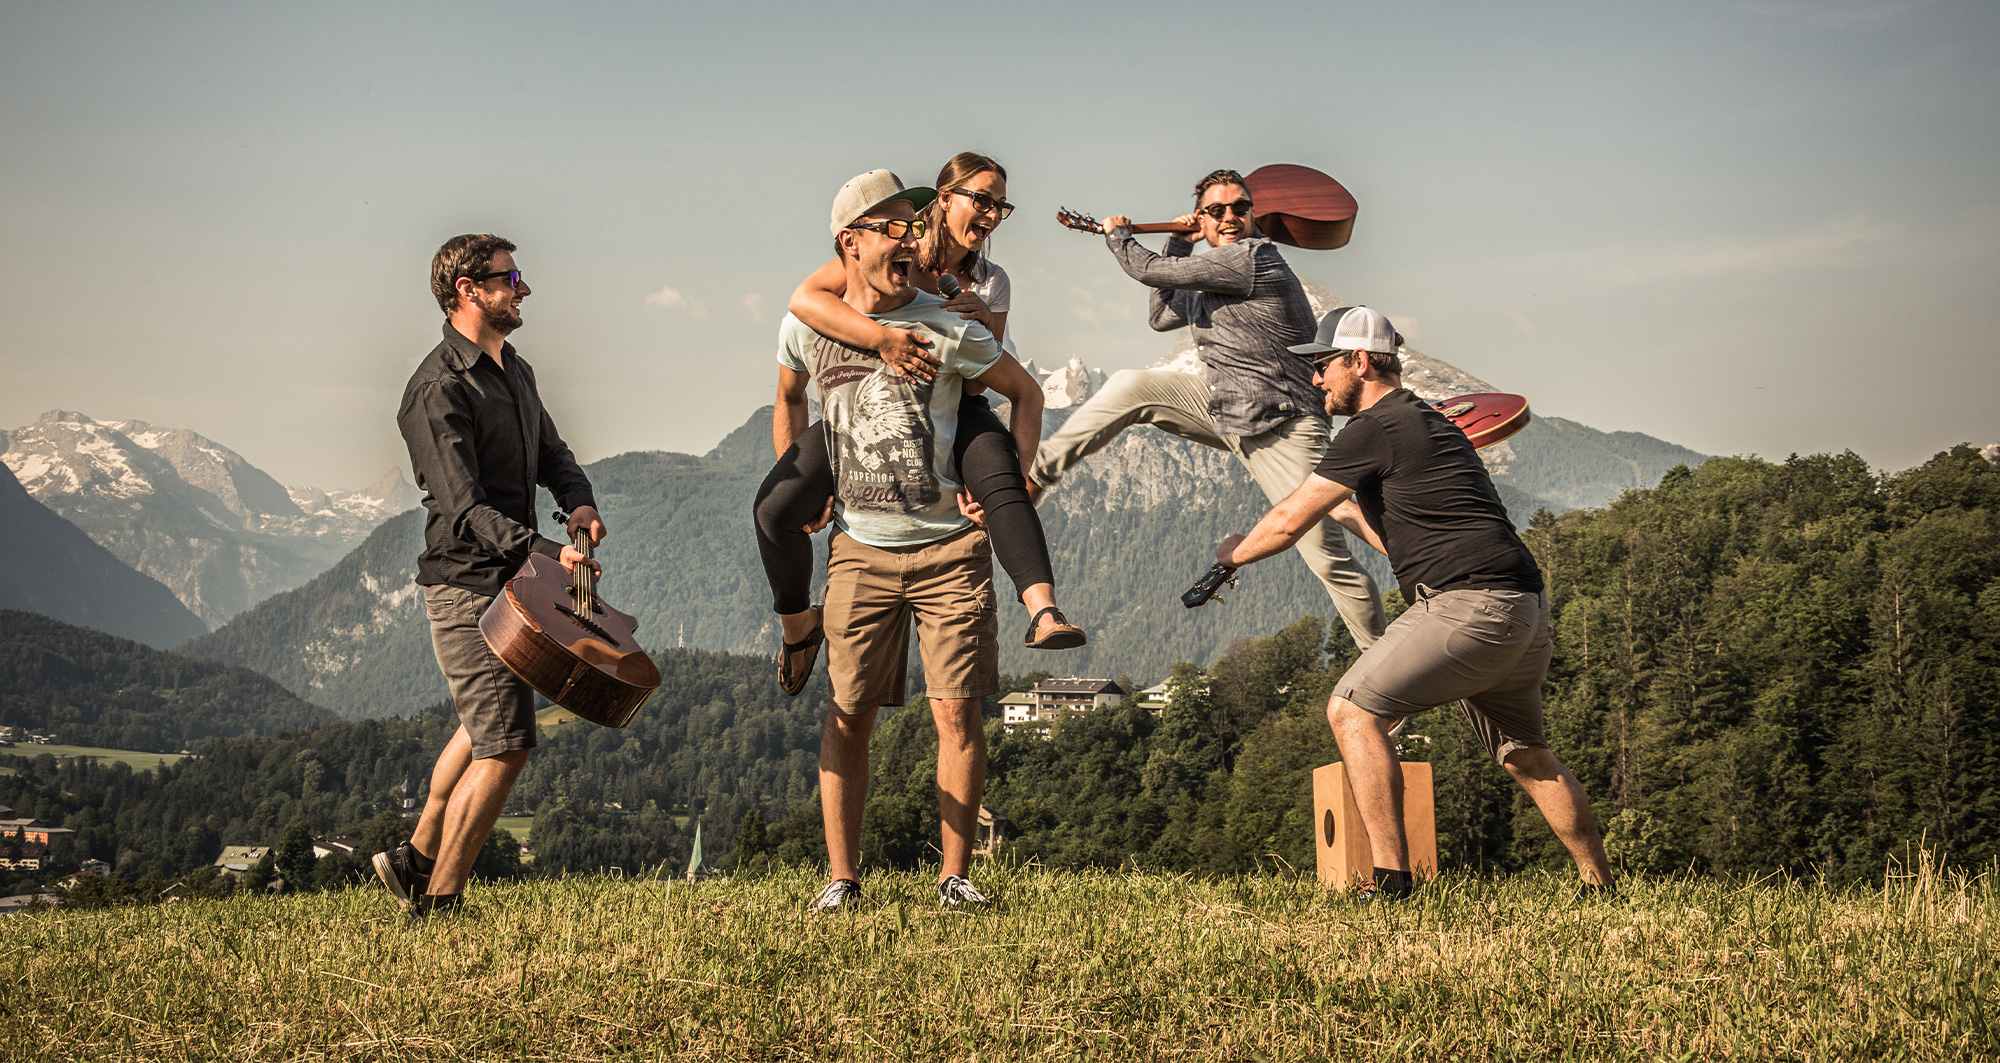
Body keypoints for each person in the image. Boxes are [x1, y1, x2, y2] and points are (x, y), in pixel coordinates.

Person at [1214, 305, 1615, 902]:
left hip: (1468, 607)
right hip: (1522, 610)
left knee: (1352, 712)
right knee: (1526, 754)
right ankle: (1600, 886)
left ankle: (1392, 884)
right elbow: (1398, 536)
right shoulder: (1426, 422)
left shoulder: (1373, 427)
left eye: (1323, 365)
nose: (1316, 379)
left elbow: (1287, 521)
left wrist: (1230, 560)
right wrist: (1342, 506)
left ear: (1359, 361)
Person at [775, 170, 1044, 911]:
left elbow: (1027, 392)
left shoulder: (949, 322)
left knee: (957, 710)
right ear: (849, 242)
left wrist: (1010, 485)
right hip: (858, 547)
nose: (908, 237)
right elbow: (789, 396)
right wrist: (805, 480)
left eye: (910, 224)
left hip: (951, 548)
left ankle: (954, 877)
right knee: (847, 712)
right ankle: (841, 879)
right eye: (890, 226)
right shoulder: (808, 322)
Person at [757, 152, 1080, 702]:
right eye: (982, 199)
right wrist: (883, 340)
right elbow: (805, 300)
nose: (993, 214)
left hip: (952, 390)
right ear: (945, 200)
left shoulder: (990, 281)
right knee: (774, 508)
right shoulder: (901, 247)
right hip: (861, 389)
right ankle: (796, 629)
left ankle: (1043, 610)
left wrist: (968, 319)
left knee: (1001, 477)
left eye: (1001, 205)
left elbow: (983, 381)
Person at [1028, 169, 1387, 650]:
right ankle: (1037, 475)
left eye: (1240, 207)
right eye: (1216, 210)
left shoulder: (1252, 258)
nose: (1230, 217)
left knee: (1327, 559)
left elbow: (1147, 271)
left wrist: (1118, 236)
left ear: (1254, 216)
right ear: (1202, 219)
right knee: (1132, 385)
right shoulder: (1214, 272)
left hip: (1283, 424)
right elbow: (1161, 316)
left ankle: (1384, 671)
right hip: (1230, 409)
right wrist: (1178, 244)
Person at [376, 233, 606, 923]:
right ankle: (438, 902)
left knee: (485, 730)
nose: (523, 287)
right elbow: (465, 507)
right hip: (466, 584)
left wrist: (581, 503)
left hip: (516, 580)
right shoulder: (436, 389)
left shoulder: (516, 371)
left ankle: (414, 859)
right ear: (468, 290)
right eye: (509, 278)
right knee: (506, 744)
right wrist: (546, 549)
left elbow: (554, 456)